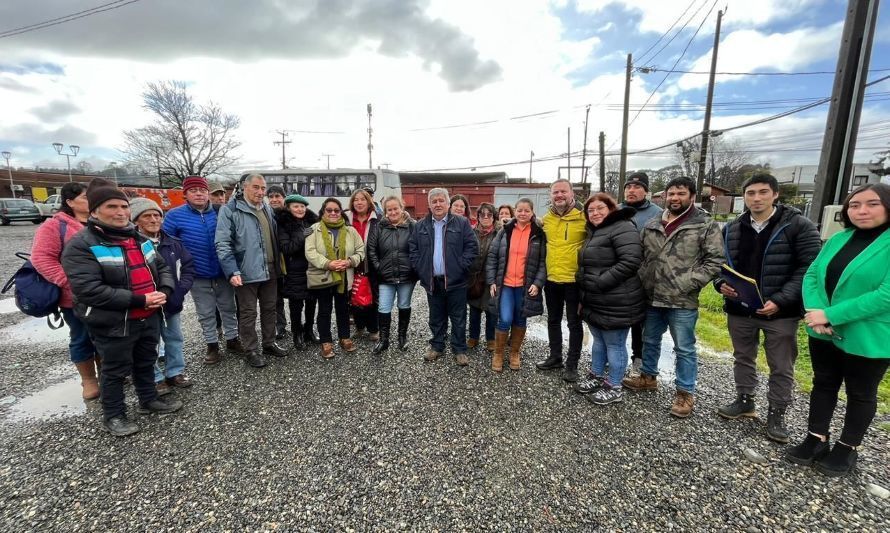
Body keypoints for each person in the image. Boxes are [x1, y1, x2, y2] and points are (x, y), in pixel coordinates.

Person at [62, 179, 180, 436]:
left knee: (145, 359)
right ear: (94, 211)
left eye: (123, 207)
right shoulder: (82, 245)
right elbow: (89, 290)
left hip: (148, 315)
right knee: (115, 369)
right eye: (111, 206)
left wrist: (166, 291)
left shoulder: (137, 237)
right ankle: (114, 415)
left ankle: (148, 400)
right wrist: (140, 300)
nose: (120, 212)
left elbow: (161, 267)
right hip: (114, 321)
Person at [786, 183, 890, 477]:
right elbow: (812, 274)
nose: (862, 211)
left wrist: (830, 315)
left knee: (861, 392)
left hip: (868, 332)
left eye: (872, 204)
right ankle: (816, 437)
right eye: (855, 205)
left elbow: (885, 295)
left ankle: (848, 447)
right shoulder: (838, 239)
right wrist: (816, 313)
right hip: (822, 328)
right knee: (824, 383)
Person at [714, 173, 820, 443]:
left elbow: (809, 269)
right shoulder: (733, 228)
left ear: (775, 194)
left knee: (781, 365)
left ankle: (777, 412)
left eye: (763, 192)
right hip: (740, 308)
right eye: (751, 193)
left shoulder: (798, 226)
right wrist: (720, 284)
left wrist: (782, 299)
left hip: (780, 312)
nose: (756, 198)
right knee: (742, 356)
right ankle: (745, 399)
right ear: (744, 197)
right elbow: (720, 263)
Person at [622, 177, 724, 418]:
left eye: (681, 193)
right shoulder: (653, 222)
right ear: (665, 196)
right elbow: (640, 254)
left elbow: (715, 261)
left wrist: (689, 282)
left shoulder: (704, 225)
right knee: (650, 339)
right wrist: (641, 277)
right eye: (671, 194)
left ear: (691, 196)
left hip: (682, 298)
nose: (675, 198)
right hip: (652, 294)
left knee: (684, 347)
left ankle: (685, 392)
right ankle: (648, 376)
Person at [30, 182, 99, 400]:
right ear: (70, 202)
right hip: (75, 296)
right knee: (81, 337)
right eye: (85, 197)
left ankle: (109, 374)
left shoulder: (101, 223)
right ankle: (88, 380)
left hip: (107, 293)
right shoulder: (54, 226)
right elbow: (42, 259)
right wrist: (70, 282)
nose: (91, 201)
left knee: (105, 336)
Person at [574, 194, 645, 405]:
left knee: (615, 344)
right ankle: (596, 375)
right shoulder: (595, 232)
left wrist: (600, 282)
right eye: (591, 210)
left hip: (617, 300)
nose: (595, 213)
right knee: (599, 340)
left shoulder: (622, 227)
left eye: (600, 208)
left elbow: (631, 261)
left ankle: (614, 385)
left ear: (611, 209)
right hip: (596, 299)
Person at [163, 175, 240, 365]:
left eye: (203, 190)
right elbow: (166, 243)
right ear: (185, 194)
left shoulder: (221, 212)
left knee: (229, 307)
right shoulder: (174, 215)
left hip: (223, 271)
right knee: (205, 311)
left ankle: (232, 339)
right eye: (193, 191)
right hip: (197, 273)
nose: (199, 194)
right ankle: (212, 344)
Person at [215, 174, 287, 368]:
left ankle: (269, 342)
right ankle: (251, 350)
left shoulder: (266, 208)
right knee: (248, 313)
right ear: (244, 187)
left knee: (270, 308)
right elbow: (222, 243)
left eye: (263, 188)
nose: (260, 192)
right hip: (246, 270)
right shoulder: (230, 210)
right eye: (256, 187)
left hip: (270, 268)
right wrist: (232, 270)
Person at [130, 198, 196, 396]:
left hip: (171, 300)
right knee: (149, 342)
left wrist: (179, 291)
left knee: (174, 338)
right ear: (136, 221)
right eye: (147, 216)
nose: (153, 219)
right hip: (145, 304)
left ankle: (175, 371)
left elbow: (188, 269)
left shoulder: (174, 244)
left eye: (157, 215)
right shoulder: (131, 245)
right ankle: (155, 378)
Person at [409, 188, 478, 366]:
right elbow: (413, 249)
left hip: (456, 281)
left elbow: (472, 246)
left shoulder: (462, 223)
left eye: (441, 200)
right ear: (430, 205)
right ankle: (437, 346)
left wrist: (461, 266)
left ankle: (459, 349)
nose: (438, 204)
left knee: (458, 317)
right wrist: (421, 268)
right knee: (436, 316)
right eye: (434, 201)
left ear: (448, 204)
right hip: (433, 281)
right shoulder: (421, 226)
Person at [485, 198, 546, 372]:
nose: (523, 213)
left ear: (532, 212)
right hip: (505, 285)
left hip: (525, 286)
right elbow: (492, 257)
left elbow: (543, 262)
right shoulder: (505, 231)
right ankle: (498, 353)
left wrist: (538, 283)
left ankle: (514, 352)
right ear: (515, 211)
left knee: (520, 319)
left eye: (527, 210)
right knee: (504, 318)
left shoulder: (538, 233)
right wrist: (491, 281)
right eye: (519, 210)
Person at [536, 179, 587, 382]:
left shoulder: (584, 217)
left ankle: (572, 365)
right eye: (555, 192)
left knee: (574, 323)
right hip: (552, 279)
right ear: (551, 195)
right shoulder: (547, 219)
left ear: (571, 193)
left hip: (574, 281)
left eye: (562, 191)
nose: (559, 195)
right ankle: (555, 356)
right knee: (553, 320)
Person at [305, 198, 365, 358]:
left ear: (341, 212)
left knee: (343, 309)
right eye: (329, 210)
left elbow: (361, 250)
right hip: (323, 276)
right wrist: (328, 264)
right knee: (324, 310)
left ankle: (344, 338)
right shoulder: (314, 229)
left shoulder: (350, 231)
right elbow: (310, 252)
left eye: (336, 210)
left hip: (345, 277)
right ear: (323, 212)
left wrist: (350, 261)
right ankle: (326, 342)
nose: (333, 213)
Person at [619, 171, 663, 375]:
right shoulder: (616, 210)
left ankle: (639, 362)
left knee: (641, 324)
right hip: (619, 276)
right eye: (628, 187)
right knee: (617, 320)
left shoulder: (658, 213)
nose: (631, 190)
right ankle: (615, 357)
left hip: (644, 276)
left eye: (637, 187)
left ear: (646, 191)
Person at [367, 196, 417, 354]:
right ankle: (384, 340)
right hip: (385, 276)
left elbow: (420, 249)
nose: (393, 212)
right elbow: (371, 250)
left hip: (406, 276)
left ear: (402, 208)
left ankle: (402, 337)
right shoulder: (379, 227)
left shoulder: (412, 226)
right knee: (384, 307)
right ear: (385, 211)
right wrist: (378, 267)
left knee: (404, 305)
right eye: (389, 209)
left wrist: (413, 268)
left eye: (396, 208)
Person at [277, 194, 319, 350]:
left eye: (302, 206)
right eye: (296, 206)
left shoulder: (312, 221)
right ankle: (297, 334)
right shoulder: (283, 224)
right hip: (295, 270)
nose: (300, 209)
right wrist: (303, 235)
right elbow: (287, 248)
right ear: (288, 208)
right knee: (296, 305)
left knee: (312, 302)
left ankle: (309, 330)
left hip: (313, 268)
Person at [467, 203, 500, 352]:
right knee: (474, 310)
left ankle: (490, 339)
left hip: (491, 278)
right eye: (482, 215)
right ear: (478, 217)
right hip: (474, 278)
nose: (486, 217)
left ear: (494, 217)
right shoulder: (471, 232)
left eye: (489, 215)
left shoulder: (500, 233)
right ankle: (473, 337)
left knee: (491, 311)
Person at [348, 189, 380, 342]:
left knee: (372, 297)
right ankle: (359, 327)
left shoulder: (377, 219)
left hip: (371, 265)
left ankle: (374, 329)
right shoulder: (346, 218)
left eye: (363, 199)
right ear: (352, 203)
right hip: (350, 265)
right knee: (353, 297)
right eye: (356, 200)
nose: (359, 202)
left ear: (369, 202)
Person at [267, 184, 289, 340]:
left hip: (290, 262)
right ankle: (280, 326)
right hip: (274, 263)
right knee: (275, 298)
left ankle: (299, 326)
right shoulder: (265, 214)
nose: (274, 199)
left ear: (283, 198)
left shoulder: (290, 214)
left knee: (297, 298)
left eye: (277, 196)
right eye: (271, 197)